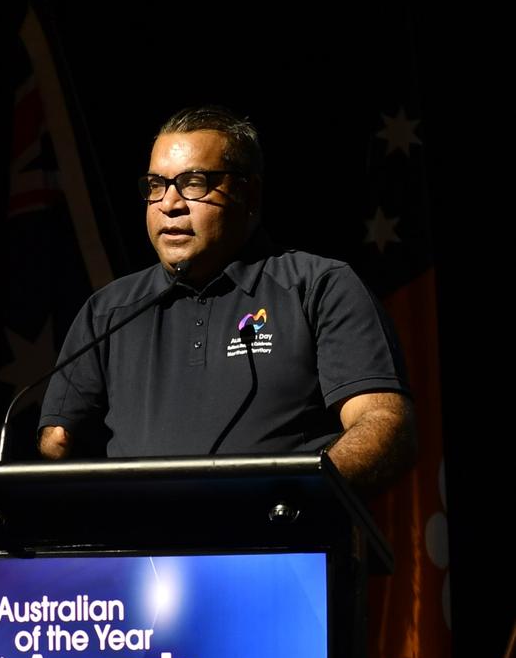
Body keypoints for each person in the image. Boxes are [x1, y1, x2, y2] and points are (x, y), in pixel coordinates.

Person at [38, 104, 416, 493]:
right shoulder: (108, 311)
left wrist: (295, 500)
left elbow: (383, 426)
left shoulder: (319, 286)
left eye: (194, 182)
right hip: (143, 551)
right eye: (156, 185)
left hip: (280, 544)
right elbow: (57, 442)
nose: (170, 204)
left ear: (248, 192)